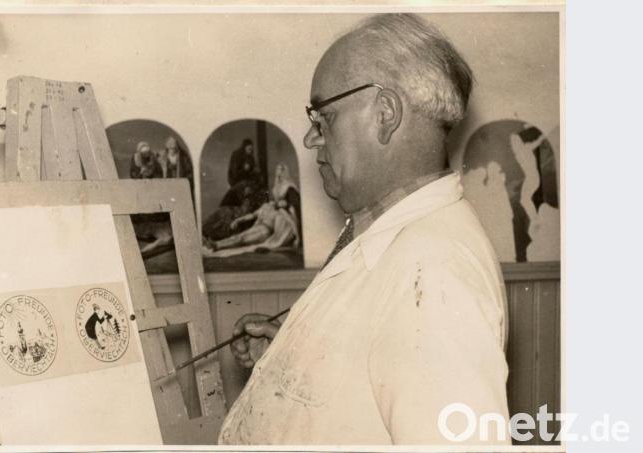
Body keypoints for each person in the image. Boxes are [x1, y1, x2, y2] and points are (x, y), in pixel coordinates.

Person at [219, 14, 510, 445]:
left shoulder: (435, 270)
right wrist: (297, 362)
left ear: (385, 114)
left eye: (325, 117)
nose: (312, 139)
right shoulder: (391, 234)